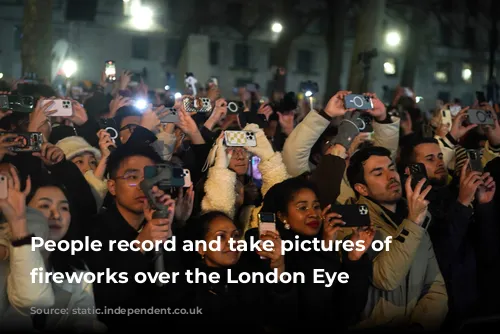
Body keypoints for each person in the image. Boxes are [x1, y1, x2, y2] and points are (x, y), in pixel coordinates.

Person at [82, 143, 188, 332]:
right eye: (132, 177)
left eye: (149, 177)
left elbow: (176, 296)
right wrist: (140, 246)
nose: (142, 186)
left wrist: (167, 232)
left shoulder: (160, 225)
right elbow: (104, 302)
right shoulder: (92, 231)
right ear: (112, 186)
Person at [399, 136, 499, 327]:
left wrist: (484, 204)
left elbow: (488, 252)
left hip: (476, 305)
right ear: (411, 169)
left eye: (439, 156)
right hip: (442, 313)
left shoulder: (455, 193)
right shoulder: (407, 208)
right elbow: (440, 255)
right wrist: (462, 204)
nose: (439, 163)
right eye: (430, 159)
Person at [346, 146, 448, 331]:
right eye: (378, 173)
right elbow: (386, 278)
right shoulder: (353, 224)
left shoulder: (415, 216)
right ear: (362, 188)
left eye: (391, 168)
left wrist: (420, 324)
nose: (391, 176)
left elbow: (435, 285)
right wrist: (413, 222)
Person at [258, 177, 374, 331]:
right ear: (282, 216)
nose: (313, 213)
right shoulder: (268, 253)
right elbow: (305, 313)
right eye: (302, 208)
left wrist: (353, 260)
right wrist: (324, 249)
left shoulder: (326, 246)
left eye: (317, 206)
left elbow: (348, 312)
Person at [0, 165, 105, 332]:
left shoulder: (77, 270)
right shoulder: (4, 258)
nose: (56, 215)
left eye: (64, 208)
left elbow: (85, 321)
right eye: (44, 206)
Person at [181, 211, 294, 333]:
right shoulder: (189, 286)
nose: (233, 242)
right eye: (221, 236)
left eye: (235, 236)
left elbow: (283, 319)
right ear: (201, 248)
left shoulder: (252, 277)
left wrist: (279, 268)